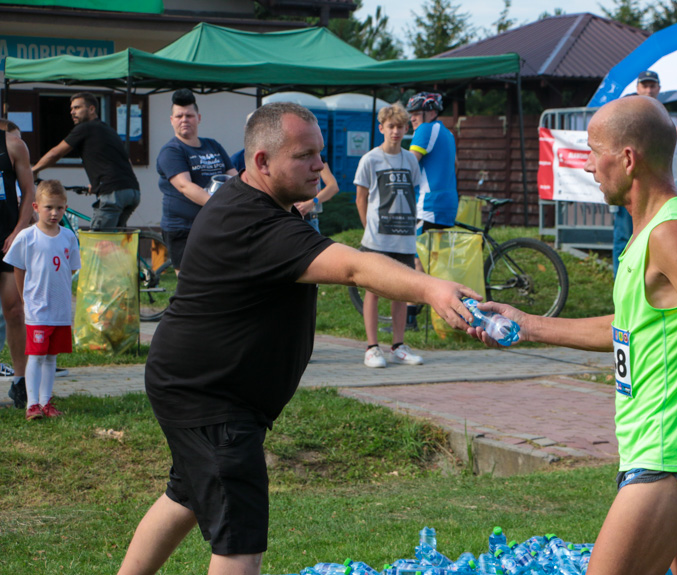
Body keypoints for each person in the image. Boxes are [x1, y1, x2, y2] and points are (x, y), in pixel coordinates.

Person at [115, 102, 477, 575]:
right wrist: (431, 288)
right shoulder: (254, 222)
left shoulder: (257, 204)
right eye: (304, 155)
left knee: (184, 495)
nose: (319, 165)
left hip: (197, 386)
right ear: (262, 162)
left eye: (319, 153)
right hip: (212, 397)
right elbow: (351, 266)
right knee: (240, 541)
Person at [470, 96, 677, 574]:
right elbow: (628, 328)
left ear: (627, 158)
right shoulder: (661, 230)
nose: (587, 165)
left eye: (592, 150)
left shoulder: (670, 234)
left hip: (670, 456)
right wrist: (527, 325)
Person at [354, 104, 424, 368]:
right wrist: (366, 228)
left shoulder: (410, 160)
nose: (395, 131)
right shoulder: (370, 159)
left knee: (401, 292)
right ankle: (372, 347)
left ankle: (398, 345)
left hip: (404, 239)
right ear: (381, 128)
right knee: (373, 291)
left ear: (406, 129)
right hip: (376, 240)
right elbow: (361, 198)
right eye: (390, 126)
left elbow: (413, 193)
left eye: (400, 127)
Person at [4, 180, 80, 420]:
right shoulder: (27, 237)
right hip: (38, 308)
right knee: (36, 356)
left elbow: (70, 269)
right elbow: (18, 268)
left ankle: (47, 402)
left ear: (65, 208)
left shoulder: (68, 237)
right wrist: (26, 297)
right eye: (49, 207)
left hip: (59, 310)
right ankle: (32, 404)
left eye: (59, 208)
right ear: (36, 207)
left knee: (51, 357)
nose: (54, 213)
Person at [613, 71, 677, 276]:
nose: (648, 90)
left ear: (658, 89)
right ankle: (620, 281)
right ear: (638, 88)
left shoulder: (661, 115)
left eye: (652, 86)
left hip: (654, 186)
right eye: (645, 86)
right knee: (625, 234)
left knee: (650, 233)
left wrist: (671, 133)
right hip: (630, 182)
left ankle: (644, 277)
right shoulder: (628, 109)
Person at [31, 92, 140, 231]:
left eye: (77, 108)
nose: (72, 112)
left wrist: (33, 170)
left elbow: (56, 153)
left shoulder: (85, 128)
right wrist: (96, 184)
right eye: (71, 109)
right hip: (132, 191)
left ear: (91, 109)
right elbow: (127, 162)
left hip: (113, 193)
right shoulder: (109, 130)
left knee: (98, 242)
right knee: (115, 241)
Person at [156, 89, 238, 272]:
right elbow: (185, 186)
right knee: (189, 282)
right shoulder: (172, 151)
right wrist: (221, 207)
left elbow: (235, 178)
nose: (184, 120)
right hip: (183, 228)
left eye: (189, 115)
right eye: (179, 116)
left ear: (198, 118)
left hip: (214, 224)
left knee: (216, 276)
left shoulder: (213, 145)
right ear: (172, 120)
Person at [407, 91, 458, 328]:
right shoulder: (448, 134)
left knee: (414, 258)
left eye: (416, 113)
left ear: (431, 112)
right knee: (433, 259)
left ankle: (411, 318)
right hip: (447, 202)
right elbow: (455, 165)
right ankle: (439, 313)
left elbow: (409, 163)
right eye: (411, 114)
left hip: (428, 204)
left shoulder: (426, 131)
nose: (412, 119)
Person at [1, 118, 36, 409]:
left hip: (6, 239)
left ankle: (20, 380)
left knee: (14, 309)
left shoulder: (12, 145)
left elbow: (29, 193)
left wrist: (18, 231)